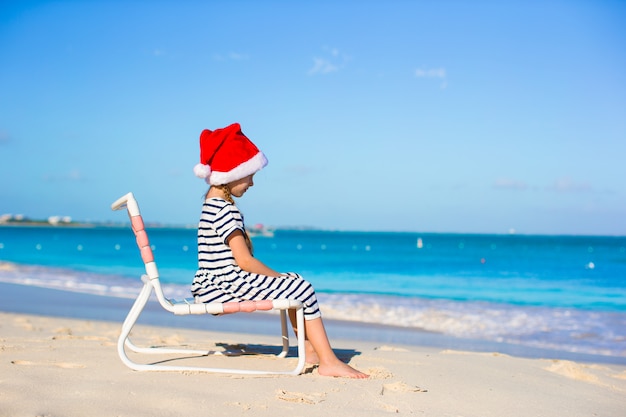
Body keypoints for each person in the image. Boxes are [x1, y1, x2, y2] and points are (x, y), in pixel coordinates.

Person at [191, 123, 368, 379]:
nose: (252, 182)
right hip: (225, 284)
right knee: (301, 287)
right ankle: (329, 361)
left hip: (213, 280)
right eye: (249, 174)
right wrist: (276, 277)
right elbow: (244, 261)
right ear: (231, 173)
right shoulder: (225, 210)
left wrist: (283, 279)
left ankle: (309, 349)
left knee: (295, 280)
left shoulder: (211, 204)